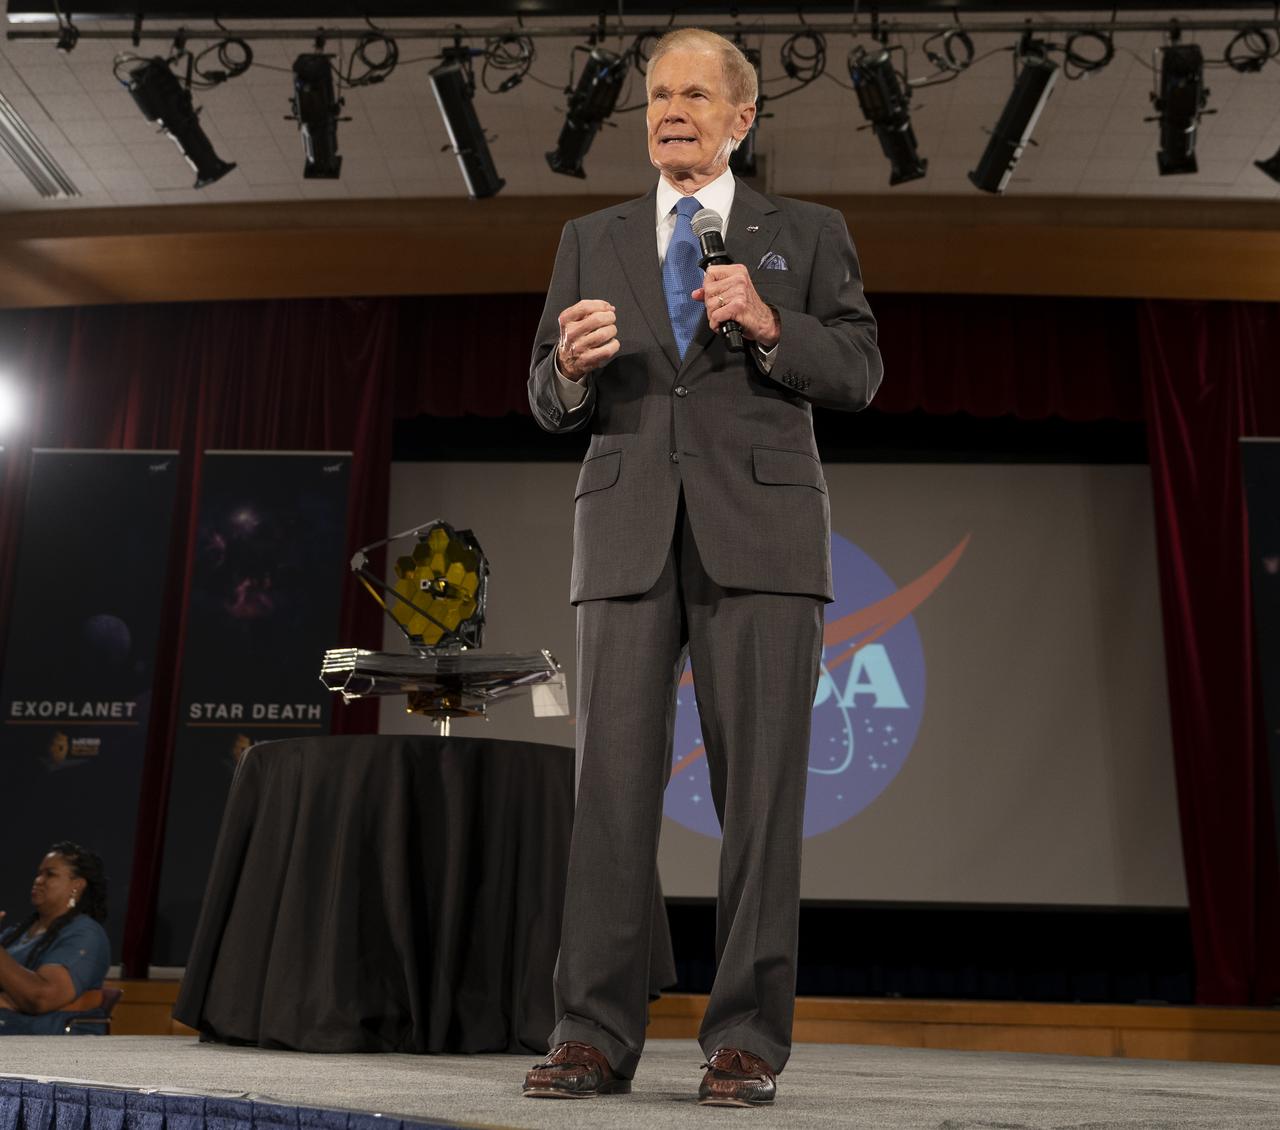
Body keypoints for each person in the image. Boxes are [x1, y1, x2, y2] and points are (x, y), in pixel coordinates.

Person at [523, 27, 883, 1108]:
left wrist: (773, 325)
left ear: (741, 117)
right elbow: (544, 393)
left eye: (692, 94)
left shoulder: (807, 234)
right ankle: (590, 1029)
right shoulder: (589, 237)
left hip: (762, 539)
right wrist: (571, 372)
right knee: (610, 801)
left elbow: (859, 368)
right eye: (655, 97)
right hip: (627, 532)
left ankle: (745, 1038)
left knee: (761, 797)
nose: (668, 112)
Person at [0, 842, 111, 1034]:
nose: (38, 880)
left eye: (50, 874)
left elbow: (41, 997)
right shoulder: (16, 933)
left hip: (48, 1042)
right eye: (39, 873)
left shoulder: (85, 934)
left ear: (77, 886)